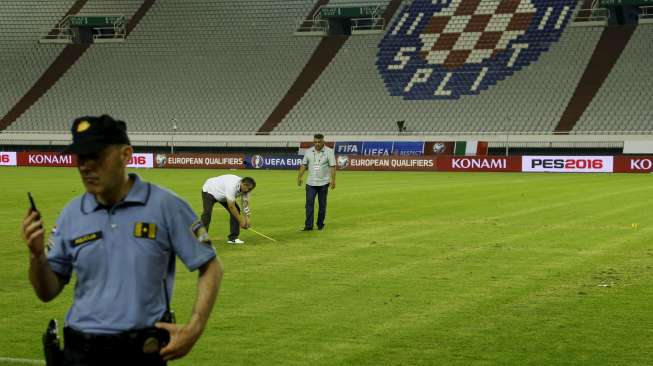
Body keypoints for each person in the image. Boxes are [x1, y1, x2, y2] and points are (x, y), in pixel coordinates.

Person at [21, 115, 222, 366]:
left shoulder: (165, 205)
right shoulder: (71, 214)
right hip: (79, 351)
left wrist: (195, 327)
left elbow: (211, 266)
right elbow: (47, 292)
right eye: (80, 158)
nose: (85, 166)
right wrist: (37, 255)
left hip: (139, 351)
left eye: (95, 156)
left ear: (125, 155)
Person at [201, 175, 256, 244]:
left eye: (250, 189)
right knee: (207, 213)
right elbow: (231, 207)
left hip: (223, 194)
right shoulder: (232, 185)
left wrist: (247, 219)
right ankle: (202, 238)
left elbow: (245, 204)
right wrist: (241, 221)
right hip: (209, 190)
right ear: (243, 184)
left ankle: (233, 238)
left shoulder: (246, 190)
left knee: (237, 210)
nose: (248, 191)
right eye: (248, 189)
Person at [297, 133, 336, 231]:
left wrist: (333, 180)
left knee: (322, 205)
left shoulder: (329, 152)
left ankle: (320, 224)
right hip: (310, 183)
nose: (317, 144)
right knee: (309, 204)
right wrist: (299, 177)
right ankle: (308, 226)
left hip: (323, 183)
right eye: (315, 142)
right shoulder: (308, 151)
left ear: (323, 141)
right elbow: (304, 165)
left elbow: (333, 166)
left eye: (319, 142)